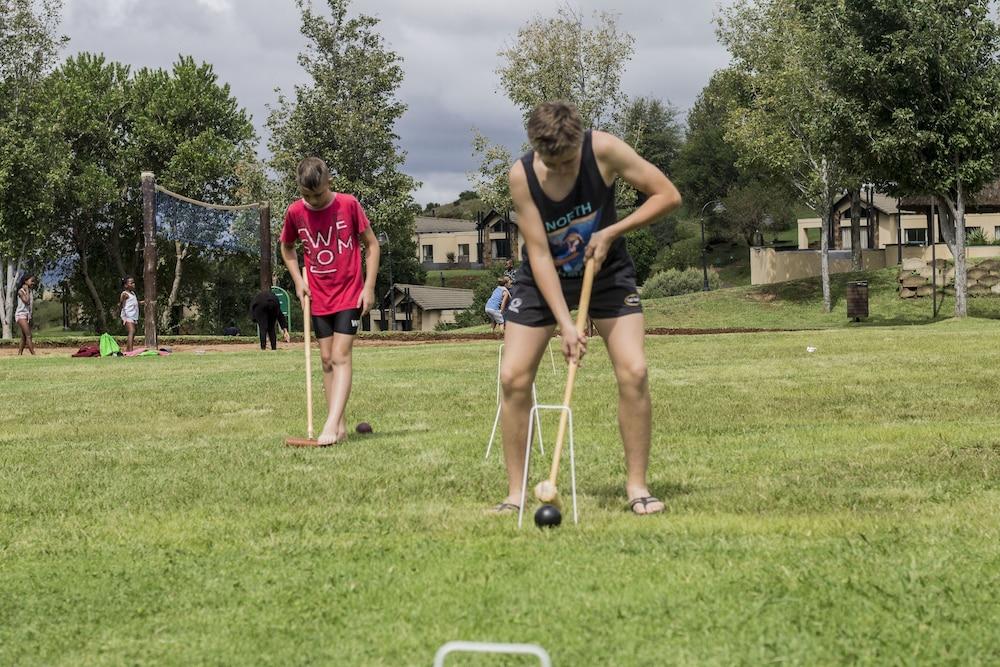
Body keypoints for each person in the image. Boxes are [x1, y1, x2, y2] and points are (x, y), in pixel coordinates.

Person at [493, 101, 682, 516]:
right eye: (552, 162)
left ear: (580, 141)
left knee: (635, 371)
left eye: (568, 161)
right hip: (543, 282)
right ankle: (515, 494)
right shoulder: (521, 177)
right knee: (512, 377)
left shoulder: (605, 150)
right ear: (536, 150)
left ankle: (637, 487)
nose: (561, 170)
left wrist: (613, 230)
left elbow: (668, 195)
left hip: (607, 273)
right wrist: (566, 324)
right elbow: (539, 254)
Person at [280, 157, 380, 446]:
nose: (313, 200)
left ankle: (330, 424)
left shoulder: (348, 204)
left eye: (319, 194)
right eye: (306, 195)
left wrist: (369, 287)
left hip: (350, 291)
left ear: (330, 183)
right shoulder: (295, 212)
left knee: (340, 356)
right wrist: (299, 283)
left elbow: (372, 245)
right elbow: (287, 248)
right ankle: (341, 427)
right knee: (326, 361)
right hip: (317, 295)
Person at [15, 273, 37, 356]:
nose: (33, 283)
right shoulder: (21, 291)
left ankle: (19, 354)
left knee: (24, 337)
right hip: (20, 315)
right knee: (29, 335)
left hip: (26, 315)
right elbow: (26, 301)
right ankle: (33, 354)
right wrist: (27, 290)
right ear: (25, 281)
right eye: (31, 281)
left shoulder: (29, 291)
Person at [117, 277, 140, 353]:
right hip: (127, 315)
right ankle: (130, 350)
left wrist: (144, 302)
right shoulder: (124, 294)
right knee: (132, 331)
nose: (134, 284)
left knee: (134, 332)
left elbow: (135, 303)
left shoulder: (133, 293)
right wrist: (122, 317)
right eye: (131, 283)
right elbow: (121, 305)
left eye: (134, 283)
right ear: (126, 285)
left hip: (133, 315)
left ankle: (128, 349)